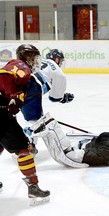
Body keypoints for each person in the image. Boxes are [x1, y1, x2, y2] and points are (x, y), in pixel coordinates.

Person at [0, 44, 50, 203]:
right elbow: (4, 76)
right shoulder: (21, 67)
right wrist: (12, 96)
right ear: (27, 58)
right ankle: (33, 188)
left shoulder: (14, 65)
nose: (36, 62)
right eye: (34, 58)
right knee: (23, 149)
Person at [21, 48, 74, 122]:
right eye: (61, 61)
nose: (61, 63)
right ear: (57, 59)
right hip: (32, 88)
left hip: (18, 83)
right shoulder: (59, 73)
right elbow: (54, 98)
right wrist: (63, 98)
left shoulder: (40, 62)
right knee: (36, 124)